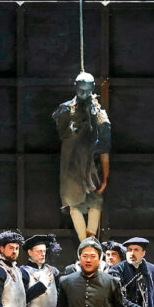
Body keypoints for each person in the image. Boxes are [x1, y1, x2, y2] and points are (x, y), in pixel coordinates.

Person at [53, 72, 111, 241]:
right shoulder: (65, 110)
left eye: (87, 90)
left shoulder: (99, 113)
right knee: (73, 203)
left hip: (92, 166)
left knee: (95, 201)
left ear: (92, 88)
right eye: (81, 90)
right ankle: (85, 244)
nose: (84, 94)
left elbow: (104, 146)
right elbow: (64, 133)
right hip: (71, 164)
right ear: (75, 87)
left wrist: (105, 176)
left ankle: (90, 244)